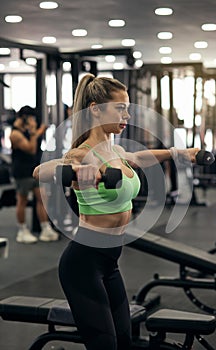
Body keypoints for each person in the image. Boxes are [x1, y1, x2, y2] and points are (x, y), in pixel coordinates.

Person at [33, 74, 199, 350]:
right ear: (96, 109)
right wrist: (75, 171)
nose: (128, 115)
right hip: (82, 264)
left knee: (124, 339)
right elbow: (40, 171)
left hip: (109, 262)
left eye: (128, 108)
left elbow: (138, 158)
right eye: (120, 108)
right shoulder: (81, 153)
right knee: (105, 344)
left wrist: (175, 153)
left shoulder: (117, 150)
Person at [10, 105, 59, 243]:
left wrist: (37, 131)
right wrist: (34, 132)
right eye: (30, 118)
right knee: (22, 200)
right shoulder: (15, 134)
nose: (32, 121)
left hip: (35, 170)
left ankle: (45, 228)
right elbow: (30, 149)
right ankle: (22, 230)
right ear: (23, 118)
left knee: (42, 198)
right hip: (22, 172)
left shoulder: (28, 131)